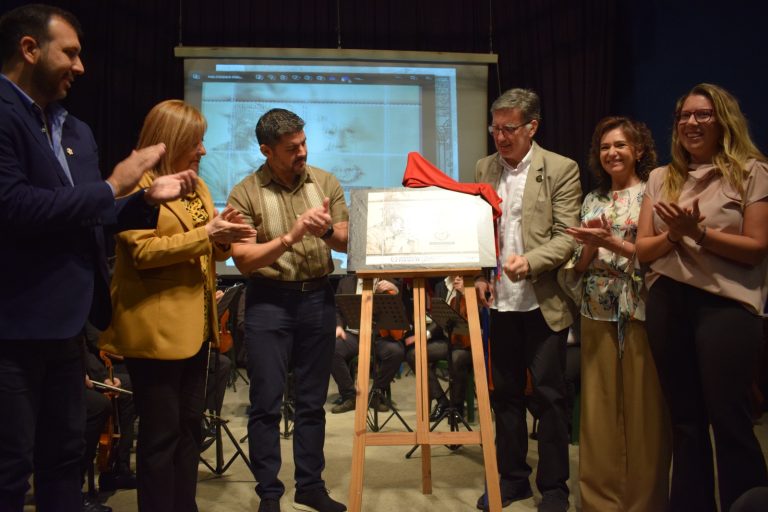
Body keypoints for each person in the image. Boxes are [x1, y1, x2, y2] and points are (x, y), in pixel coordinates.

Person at [0, 5, 196, 512]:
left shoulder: (77, 131)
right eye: (70, 53)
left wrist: (141, 201)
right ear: (29, 49)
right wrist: (113, 186)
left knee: (64, 458)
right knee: (9, 469)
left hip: (69, 325)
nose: (80, 66)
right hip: (13, 326)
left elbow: (88, 218)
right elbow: (13, 206)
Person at [99, 99, 255, 512]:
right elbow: (143, 253)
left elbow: (211, 249)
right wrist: (208, 234)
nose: (203, 149)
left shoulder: (196, 186)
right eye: (196, 141)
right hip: (155, 332)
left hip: (197, 329)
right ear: (171, 140)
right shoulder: (136, 186)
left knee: (190, 429)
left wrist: (225, 237)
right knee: (161, 435)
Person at [636, 83, 768, 512]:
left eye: (703, 115)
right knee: (685, 422)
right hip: (668, 302)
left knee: (729, 418)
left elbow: (756, 248)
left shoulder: (752, 172)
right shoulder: (660, 178)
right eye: (684, 116)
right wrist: (675, 236)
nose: (691, 123)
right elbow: (643, 250)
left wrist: (699, 233)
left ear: (723, 120)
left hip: (726, 306)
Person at [228, 108, 349, 512]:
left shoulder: (325, 182)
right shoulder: (245, 192)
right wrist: (290, 237)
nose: (302, 152)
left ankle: (310, 486)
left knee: (313, 402)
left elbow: (348, 239)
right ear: (266, 150)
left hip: (318, 298)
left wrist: (326, 230)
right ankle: (269, 493)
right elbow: (243, 260)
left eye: (303, 143)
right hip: (268, 301)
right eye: (291, 148)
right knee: (266, 402)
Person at [473, 88, 581, 512]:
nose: (500, 137)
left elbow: (567, 236)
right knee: (505, 396)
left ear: (532, 127)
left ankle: (554, 488)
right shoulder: (484, 168)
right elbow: (478, 231)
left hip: (542, 301)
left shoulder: (560, 168)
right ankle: (512, 481)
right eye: (495, 128)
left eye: (509, 129)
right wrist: (480, 275)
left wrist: (531, 261)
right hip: (500, 302)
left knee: (550, 397)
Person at [562, 116, 670, 511]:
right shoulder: (593, 199)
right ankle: (599, 501)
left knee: (645, 411)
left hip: (641, 309)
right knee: (599, 410)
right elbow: (579, 264)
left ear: (638, 150)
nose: (612, 153)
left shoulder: (653, 192)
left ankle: (644, 501)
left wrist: (612, 243)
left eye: (620, 145)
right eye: (605, 147)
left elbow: (659, 254)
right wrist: (591, 245)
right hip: (596, 310)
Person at [331, 276, 405, 415]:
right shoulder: (345, 282)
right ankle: (350, 396)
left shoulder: (390, 282)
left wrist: (395, 290)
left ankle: (375, 394)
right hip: (353, 335)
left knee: (396, 352)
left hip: (379, 336)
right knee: (332, 349)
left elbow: (402, 307)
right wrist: (339, 326)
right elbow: (337, 310)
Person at [404, 276, 473, 421]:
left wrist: (467, 294)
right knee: (414, 354)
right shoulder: (440, 286)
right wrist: (424, 335)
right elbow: (438, 317)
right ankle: (442, 401)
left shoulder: (471, 282)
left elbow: (480, 312)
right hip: (447, 340)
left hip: (466, 342)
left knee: (456, 358)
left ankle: (457, 407)